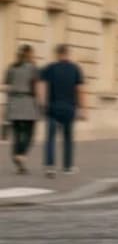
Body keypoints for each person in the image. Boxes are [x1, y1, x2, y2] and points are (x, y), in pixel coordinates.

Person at [39, 44, 85, 177]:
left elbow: (42, 87)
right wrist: (82, 109)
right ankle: (67, 167)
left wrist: (42, 104)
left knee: (50, 138)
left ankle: (50, 167)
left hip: (53, 108)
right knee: (68, 139)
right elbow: (80, 90)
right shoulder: (75, 69)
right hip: (69, 108)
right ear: (68, 53)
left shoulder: (49, 68)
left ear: (57, 54)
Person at [6, 45, 40, 175]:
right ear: (29, 54)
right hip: (28, 102)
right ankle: (21, 155)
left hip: (14, 103)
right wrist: (39, 104)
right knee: (30, 133)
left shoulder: (11, 67)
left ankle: (17, 159)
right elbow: (36, 87)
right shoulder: (33, 68)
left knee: (17, 133)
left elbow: (6, 85)